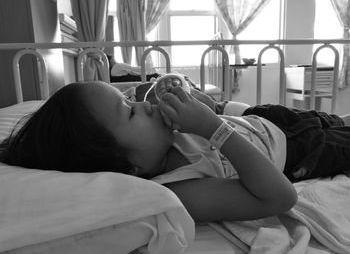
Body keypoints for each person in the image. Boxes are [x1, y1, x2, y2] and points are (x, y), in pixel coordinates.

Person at [1, 79, 346, 222]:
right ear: (130, 166)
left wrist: (205, 107)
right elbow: (279, 197)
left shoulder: (167, 134)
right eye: (130, 111)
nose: (144, 104)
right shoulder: (182, 188)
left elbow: (214, 116)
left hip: (268, 118)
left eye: (130, 97)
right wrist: (212, 127)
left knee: (337, 119)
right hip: (300, 149)